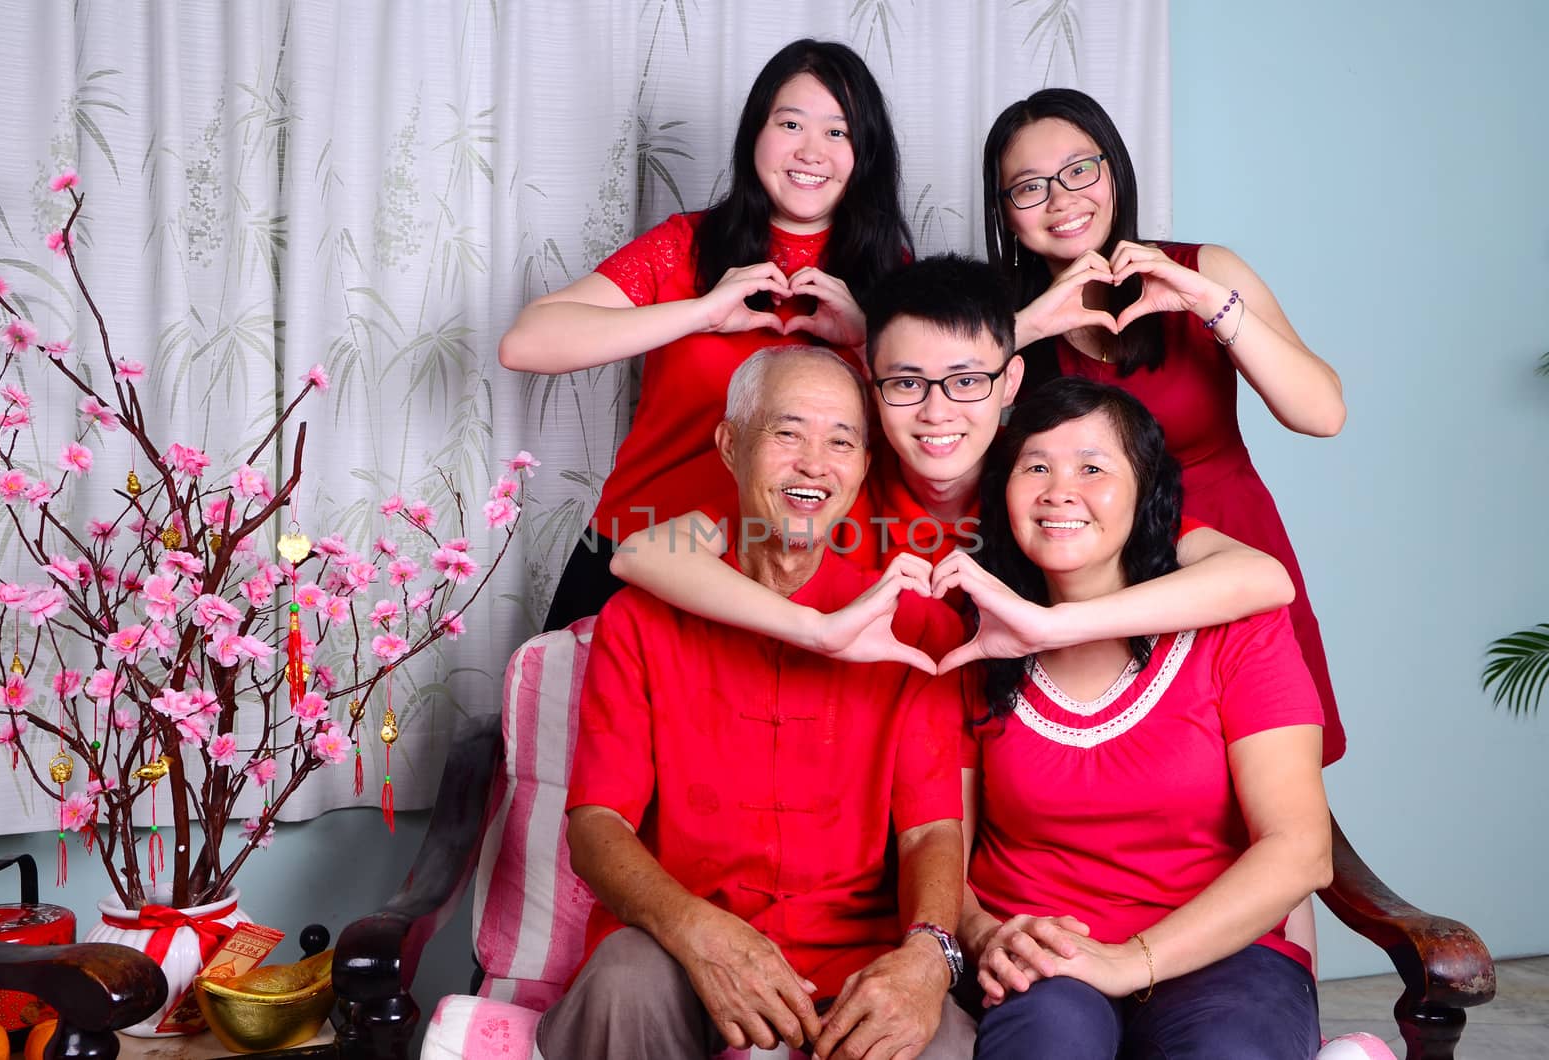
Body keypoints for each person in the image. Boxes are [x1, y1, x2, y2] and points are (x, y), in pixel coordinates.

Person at [536, 347, 976, 1059]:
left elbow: (930, 831)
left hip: (849, 960)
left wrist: (929, 956)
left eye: (841, 441)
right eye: (787, 433)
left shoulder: (916, 627)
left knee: (936, 1043)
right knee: (622, 985)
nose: (814, 463)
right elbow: (598, 823)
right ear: (730, 444)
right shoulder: (639, 621)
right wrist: (696, 931)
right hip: (677, 945)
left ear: (865, 465)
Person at [610, 255, 1294, 674]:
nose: (937, 413)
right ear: (872, 392)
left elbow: (1261, 577)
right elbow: (641, 554)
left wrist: (1048, 626)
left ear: (1010, 385)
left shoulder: (1044, 487)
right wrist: (818, 632)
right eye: (906, 384)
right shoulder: (835, 481)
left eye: (967, 383)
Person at [949, 377, 1331, 1059]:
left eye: (1093, 468)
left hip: (1223, 951)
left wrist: (1134, 958)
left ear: (1144, 492)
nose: (1058, 489)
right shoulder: (974, 641)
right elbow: (941, 847)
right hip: (1045, 957)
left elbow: (1299, 847)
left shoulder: (1236, 628)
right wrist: (983, 934)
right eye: (1035, 466)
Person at [981, 87, 1349, 765]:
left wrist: (1205, 301)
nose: (1062, 200)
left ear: (1115, 170)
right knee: (1152, 777)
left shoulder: (1205, 270)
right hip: (1099, 577)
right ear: (1004, 212)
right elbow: (938, 424)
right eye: (1028, 188)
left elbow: (1322, 413)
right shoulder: (999, 317)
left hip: (1237, 554)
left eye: (1079, 171)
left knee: (1267, 766)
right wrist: (1027, 325)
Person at [499, 38, 912, 631]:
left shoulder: (889, 274)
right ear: (754, 135)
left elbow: (936, 422)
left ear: (864, 152)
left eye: (838, 132)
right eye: (790, 123)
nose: (811, 151)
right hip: (637, 544)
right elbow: (526, 343)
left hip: (800, 569)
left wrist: (865, 339)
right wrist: (702, 312)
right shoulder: (686, 245)